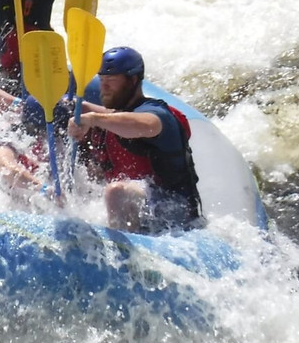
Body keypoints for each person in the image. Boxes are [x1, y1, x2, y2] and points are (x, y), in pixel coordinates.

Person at [67, 47, 204, 234]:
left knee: (117, 192)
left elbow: (145, 124)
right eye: (102, 81)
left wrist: (93, 119)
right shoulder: (119, 112)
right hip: (146, 204)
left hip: (175, 209)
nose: (104, 88)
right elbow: (106, 113)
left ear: (132, 81)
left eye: (111, 81)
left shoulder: (157, 114)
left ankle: (121, 253)